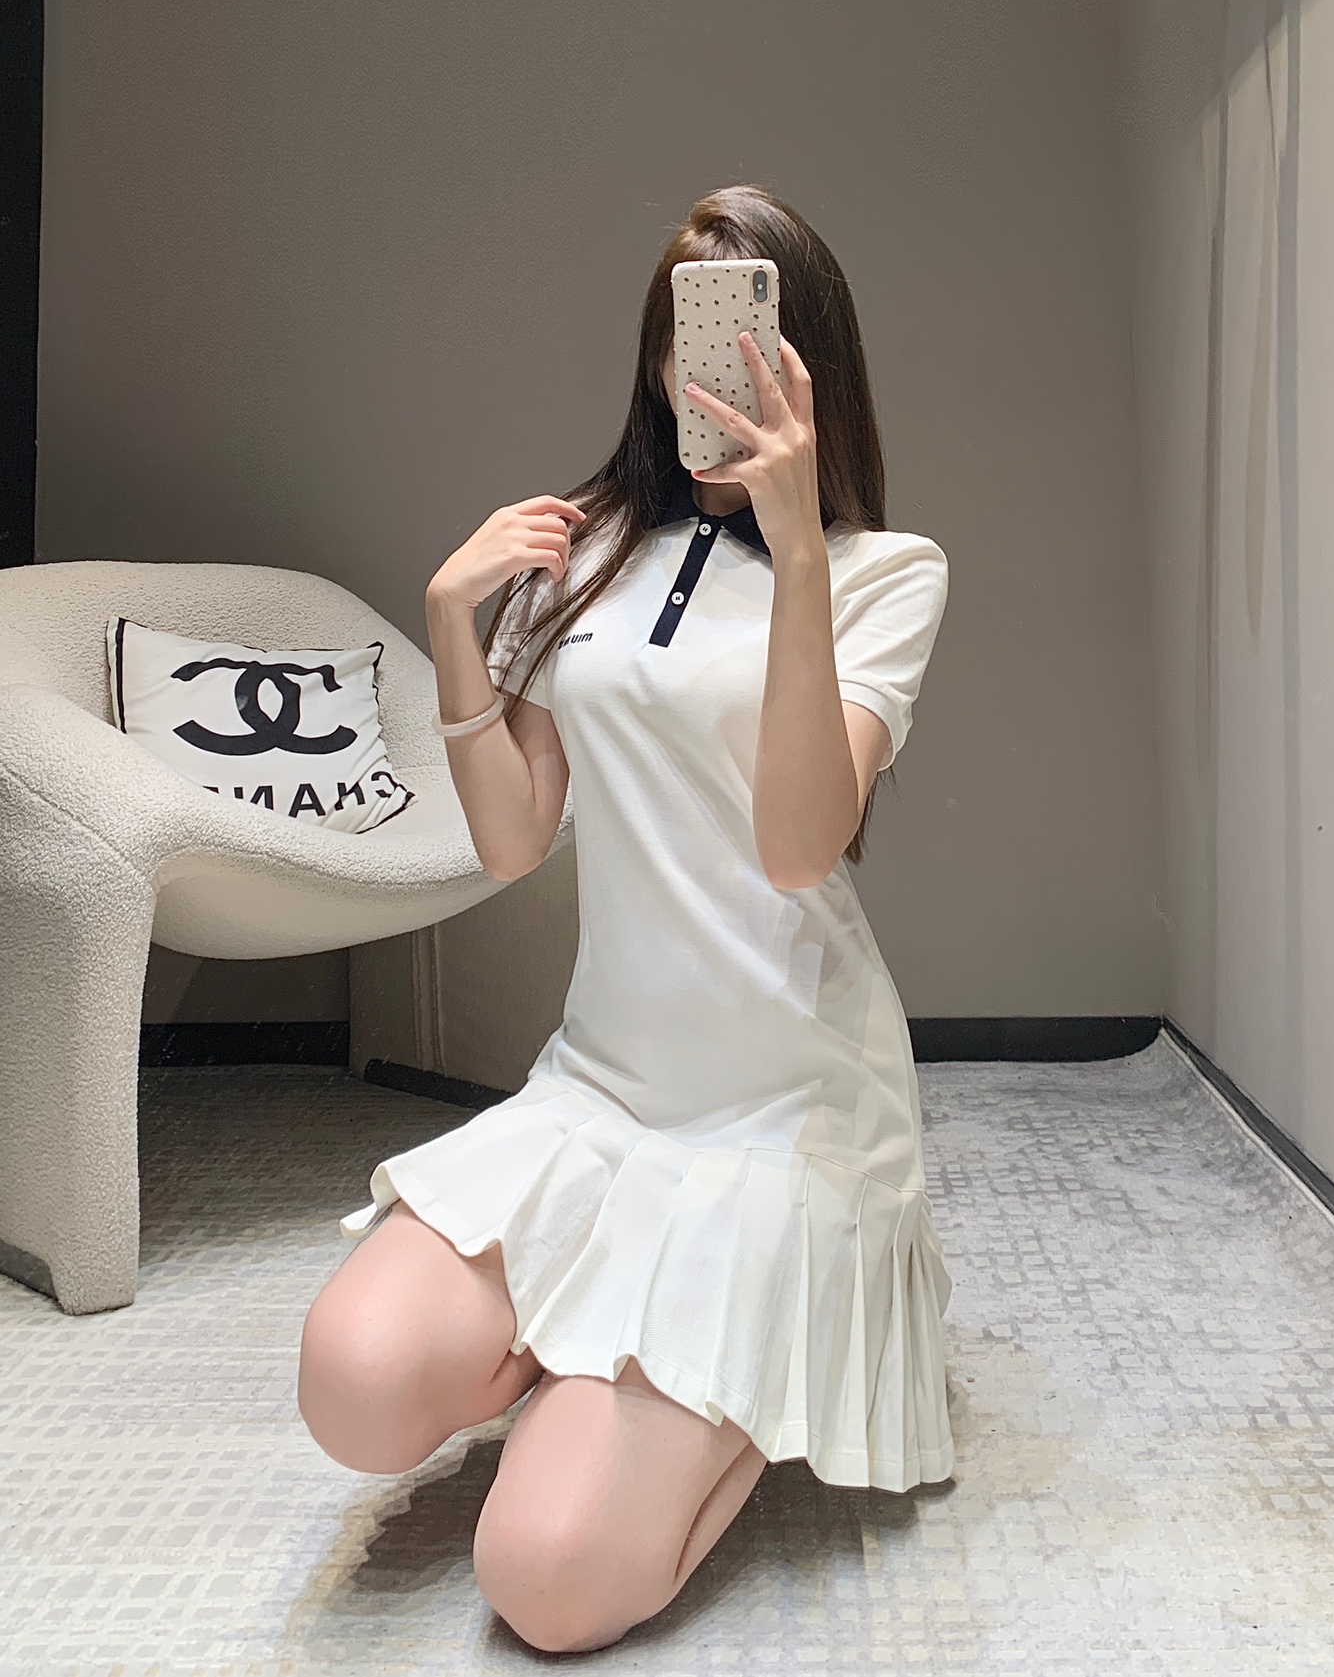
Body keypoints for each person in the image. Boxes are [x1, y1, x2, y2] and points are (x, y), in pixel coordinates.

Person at [296, 184, 955, 1653]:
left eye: (743, 334)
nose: (703, 371)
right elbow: (514, 837)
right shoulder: (586, 547)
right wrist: (453, 623)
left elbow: (798, 846)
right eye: (682, 336)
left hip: (785, 1117)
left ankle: (724, 1397)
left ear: (809, 361)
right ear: (655, 360)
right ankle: (592, 1359)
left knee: (546, 1580)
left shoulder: (884, 574)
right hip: (600, 1092)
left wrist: (797, 551)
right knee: (352, 1386)